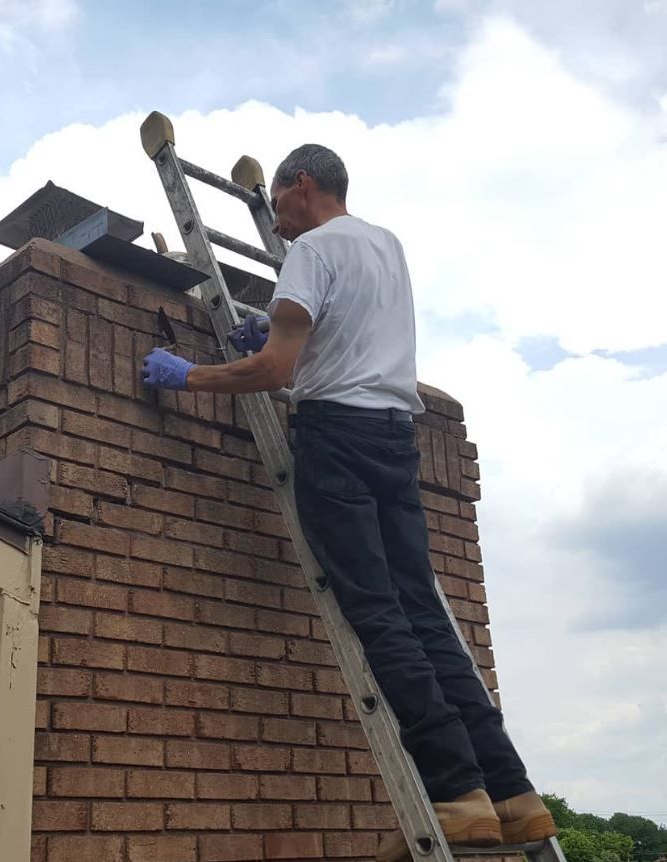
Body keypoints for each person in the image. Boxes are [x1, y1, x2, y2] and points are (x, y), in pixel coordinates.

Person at [141, 144, 556, 861]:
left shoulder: (310, 251)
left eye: (277, 201)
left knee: (379, 615)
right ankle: (512, 796)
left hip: (338, 438)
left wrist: (190, 375)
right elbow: (336, 335)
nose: (277, 220)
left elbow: (276, 369)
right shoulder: (384, 244)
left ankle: (457, 795)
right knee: (424, 615)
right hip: (398, 440)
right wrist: (275, 331)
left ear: (302, 186)